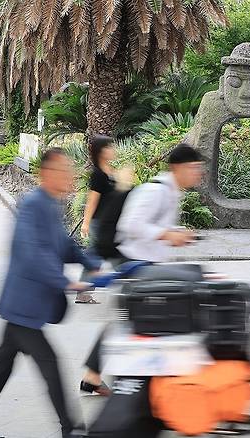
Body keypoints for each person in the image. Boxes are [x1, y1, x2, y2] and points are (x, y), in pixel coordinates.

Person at [0, 148, 100, 438]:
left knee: (1, 368)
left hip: (25, 307)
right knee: (50, 365)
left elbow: (62, 243)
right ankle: (72, 429)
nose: (69, 175)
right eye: (63, 170)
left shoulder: (51, 204)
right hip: (24, 305)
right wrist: (66, 282)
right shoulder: (33, 204)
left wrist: (90, 262)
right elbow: (32, 252)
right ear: (46, 174)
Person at [78, 143, 204, 396]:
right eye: (194, 168)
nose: (198, 174)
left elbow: (153, 228)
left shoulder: (171, 191)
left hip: (147, 267)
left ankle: (97, 376)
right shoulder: (155, 190)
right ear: (177, 168)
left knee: (131, 322)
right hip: (134, 264)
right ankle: (142, 382)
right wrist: (167, 233)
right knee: (140, 322)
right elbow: (131, 224)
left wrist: (177, 235)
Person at [76, 135, 117, 304]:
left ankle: (84, 291)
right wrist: (85, 223)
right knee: (96, 255)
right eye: (109, 147)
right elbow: (92, 199)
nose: (113, 150)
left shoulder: (109, 172)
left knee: (104, 254)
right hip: (99, 223)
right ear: (101, 152)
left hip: (109, 223)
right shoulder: (98, 174)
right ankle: (83, 292)